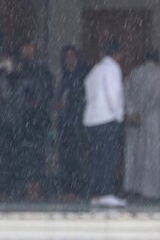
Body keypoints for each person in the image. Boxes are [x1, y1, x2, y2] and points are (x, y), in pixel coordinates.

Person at [83, 40, 126, 207]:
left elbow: (87, 88)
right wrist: (119, 115)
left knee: (97, 158)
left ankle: (96, 193)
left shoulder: (96, 69)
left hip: (92, 119)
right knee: (109, 157)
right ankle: (106, 192)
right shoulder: (113, 68)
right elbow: (113, 94)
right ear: (117, 54)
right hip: (107, 118)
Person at [11, 41, 53, 200]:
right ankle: (29, 189)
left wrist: (40, 103)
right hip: (24, 120)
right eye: (25, 50)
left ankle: (37, 189)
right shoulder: (18, 72)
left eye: (31, 50)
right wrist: (27, 103)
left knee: (39, 155)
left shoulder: (43, 72)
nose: (29, 53)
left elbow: (48, 92)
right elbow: (16, 96)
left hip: (39, 119)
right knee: (26, 156)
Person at [124, 49, 160, 200]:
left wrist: (133, 111)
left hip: (135, 120)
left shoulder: (135, 73)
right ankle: (152, 190)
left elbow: (126, 93)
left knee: (135, 155)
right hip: (154, 119)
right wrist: (148, 109)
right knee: (153, 156)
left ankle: (133, 187)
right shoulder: (158, 73)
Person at [55, 45, 90, 198]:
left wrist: (72, 106)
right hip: (64, 123)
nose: (70, 59)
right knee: (65, 157)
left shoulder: (83, 74)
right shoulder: (63, 75)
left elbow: (84, 97)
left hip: (78, 121)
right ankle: (67, 189)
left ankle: (77, 189)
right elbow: (57, 96)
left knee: (78, 157)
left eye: (72, 55)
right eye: (66, 56)